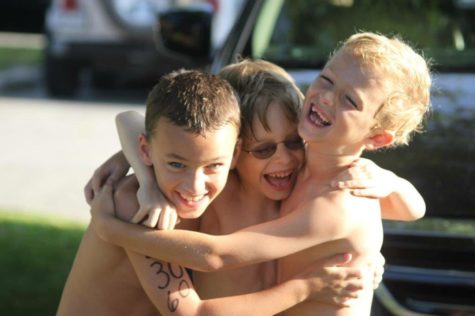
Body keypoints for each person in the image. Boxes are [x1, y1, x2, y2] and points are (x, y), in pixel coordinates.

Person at [89, 32, 431, 315]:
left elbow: (216, 255)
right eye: (326, 79)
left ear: (376, 138)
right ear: (234, 151)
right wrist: (138, 164)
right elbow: (133, 119)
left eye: (349, 100)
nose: (326, 97)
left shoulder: (339, 201)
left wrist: (116, 231)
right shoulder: (308, 162)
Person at [57, 69, 366, 316]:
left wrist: (361, 256)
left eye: (295, 142)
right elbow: (131, 120)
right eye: (264, 148)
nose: (283, 158)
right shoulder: (139, 205)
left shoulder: (261, 192)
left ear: (231, 152)